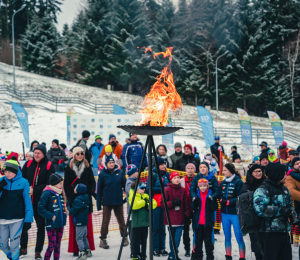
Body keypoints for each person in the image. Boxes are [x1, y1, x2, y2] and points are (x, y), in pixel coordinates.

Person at [253, 163, 296, 260]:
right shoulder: (263, 190)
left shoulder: (284, 189)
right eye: (284, 174)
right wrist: (280, 211)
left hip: (284, 232)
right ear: (277, 174)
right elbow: (260, 209)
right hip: (268, 234)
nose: (286, 176)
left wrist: (292, 214)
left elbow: (289, 205)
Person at [21, 144, 56, 259]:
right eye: (35, 153)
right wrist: (27, 189)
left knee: (40, 226)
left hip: (40, 201)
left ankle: (38, 251)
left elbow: (49, 183)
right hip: (27, 200)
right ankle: (23, 248)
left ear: (44, 154)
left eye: (38, 153)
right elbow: (22, 178)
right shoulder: (28, 163)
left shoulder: (49, 165)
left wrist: (34, 190)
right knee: (24, 225)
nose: (36, 155)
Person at [64, 146, 96, 256]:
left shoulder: (87, 167)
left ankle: (87, 248)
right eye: (77, 154)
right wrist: (70, 196)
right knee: (75, 225)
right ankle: (75, 249)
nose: (80, 156)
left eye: (81, 153)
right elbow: (66, 185)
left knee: (86, 226)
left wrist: (90, 192)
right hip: (74, 200)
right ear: (74, 155)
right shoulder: (68, 168)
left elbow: (92, 182)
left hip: (86, 200)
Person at [0, 158, 33, 260]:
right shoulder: (1, 181)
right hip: (2, 218)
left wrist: (28, 219)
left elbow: (28, 201)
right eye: (5, 171)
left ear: (15, 171)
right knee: (3, 245)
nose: (7, 174)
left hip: (17, 219)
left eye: (10, 171)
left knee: (14, 244)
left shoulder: (24, 182)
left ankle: (15, 258)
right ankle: (11, 256)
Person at [96, 156, 128, 249]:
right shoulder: (102, 174)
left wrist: (127, 198)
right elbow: (99, 190)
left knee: (121, 220)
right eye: (109, 163)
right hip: (107, 201)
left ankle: (125, 236)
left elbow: (125, 186)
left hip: (118, 200)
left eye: (113, 162)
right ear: (106, 164)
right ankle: (103, 239)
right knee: (105, 221)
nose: (111, 164)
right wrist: (99, 204)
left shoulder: (120, 172)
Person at [38, 173, 67, 260]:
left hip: (60, 223)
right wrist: (51, 216)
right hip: (52, 224)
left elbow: (65, 203)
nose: (62, 185)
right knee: (52, 245)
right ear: (54, 183)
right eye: (60, 183)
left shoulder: (61, 192)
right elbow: (40, 208)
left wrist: (67, 209)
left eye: (62, 183)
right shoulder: (47, 193)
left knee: (58, 245)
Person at [161, 171, 190, 260]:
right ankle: (173, 255)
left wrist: (187, 213)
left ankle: (173, 254)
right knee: (172, 238)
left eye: (178, 177)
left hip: (180, 217)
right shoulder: (167, 189)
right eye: (174, 178)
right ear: (171, 179)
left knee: (177, 238)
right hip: (171, 218)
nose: (177, 179)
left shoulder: (182, 190)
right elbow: (163, 204)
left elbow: (185, 203)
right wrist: (173, 203)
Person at [219, 163, 245, 260]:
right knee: (227, 237)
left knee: (239, 237)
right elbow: (220, 195)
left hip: (235, 214)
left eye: (225, 170)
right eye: (223, 170)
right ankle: (228, 256)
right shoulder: (223, 182)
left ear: (231, 170)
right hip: (224, 214)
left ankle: (242, 257)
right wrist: (221, 199)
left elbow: (240, 197)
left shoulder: (238, 182)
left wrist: (229, 202)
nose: (223, 172)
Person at [146, 157, 170, 257]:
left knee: (162, 227)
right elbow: (148, 188)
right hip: (155, 204)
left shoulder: (166, 174)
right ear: (157, 165)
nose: (164, 166)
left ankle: (162, 248)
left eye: (164, 164)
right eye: (161, 164)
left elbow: (169, 186)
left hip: (164, 204)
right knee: (155, 227)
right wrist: (162, 189)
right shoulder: (153, 174)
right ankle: (155, 248)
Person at [241, 164, 265, 260]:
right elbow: (245, 200)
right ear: (251, 173)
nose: (258, 173)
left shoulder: (266, 183)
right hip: (253, 219)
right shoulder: (247, 185)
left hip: (265, 218)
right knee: (256, 245)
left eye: (260, 171)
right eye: (256, 171)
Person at [190, 161, 220, 239]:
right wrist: (194, 197)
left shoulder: (212, 177)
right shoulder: (196, 177)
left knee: (209, 227)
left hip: (209, 204)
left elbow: (217, 190)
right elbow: (192, 189)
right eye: (200, 167)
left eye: (204, 167)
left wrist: (211, 197)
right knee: (197, 227)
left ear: (207, 168)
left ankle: (210, 248)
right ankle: (195, 249)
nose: (202, 169)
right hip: (199, 204)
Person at [129, 181, 157, 260]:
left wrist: (147, 205)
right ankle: (135, 255)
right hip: (136, 223)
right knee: (136, 241)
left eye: (144, 188)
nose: (144, 189)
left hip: (145, 223)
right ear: (136, 189)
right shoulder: (133, 196)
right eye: (142, 188)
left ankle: (143, 254)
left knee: (144, 241)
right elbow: (134, 205)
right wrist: (144, 203)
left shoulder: (146, 195)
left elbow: (154, 204)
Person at [191, 178, 217, 260]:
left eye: (204, 186)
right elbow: (192, 208)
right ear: (198, 187)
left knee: (208, 241)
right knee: (198, 241)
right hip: (198, 223)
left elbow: (215, 208)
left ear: (207, 186)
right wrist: (194, 203)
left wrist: (211, 202)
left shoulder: (211, 195)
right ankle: (198, 257)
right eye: (201, 186)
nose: (202, 188)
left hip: (207, 222)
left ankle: (210, 257)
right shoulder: (196, 195)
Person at [68, 184, 92, 260]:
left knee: (79, 238)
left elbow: (72, 212)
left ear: (79, 190)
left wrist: (68, 206)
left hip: (79, 222)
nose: (74, 189)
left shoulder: (78, 200)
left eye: (75, 188)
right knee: (84, 237)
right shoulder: (85, 198)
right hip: (84, 221)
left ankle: (82, 253)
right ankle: (88, 251)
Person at [284, 157, 300, 257]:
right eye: (297, 163)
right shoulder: (290, 177)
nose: (299, 165)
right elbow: (291, 191)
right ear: (293, 166)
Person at [180, 163, 195, 257]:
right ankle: (187, 249)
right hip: (185, 210)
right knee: (185, 231)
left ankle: (195, 248)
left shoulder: (197, 180)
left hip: (194, 209)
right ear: (186, 170)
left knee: (195, 230)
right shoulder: (181, 181)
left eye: (192, 168)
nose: (190, 170)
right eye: (188, 168)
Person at [125, 164, 139, 248]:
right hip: (132, 210)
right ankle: (133, 248)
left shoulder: (136, 181)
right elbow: (132, 193)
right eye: (136, 171)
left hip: (136, 209)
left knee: (136, 230)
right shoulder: (129, 182)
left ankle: (136, 247)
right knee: (133, 231)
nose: (138, 172)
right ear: (132, 173)